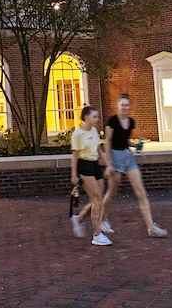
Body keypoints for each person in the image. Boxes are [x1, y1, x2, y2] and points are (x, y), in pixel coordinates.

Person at [100, 94, 168, 238]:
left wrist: (136, 145)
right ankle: (102, 220)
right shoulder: (112, 121)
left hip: (128, 156)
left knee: (141, 192)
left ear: (130, 107)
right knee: (112, 192)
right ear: (118, 106)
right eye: (122, 105)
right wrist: (108, 164)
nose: (124, 107)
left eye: (126, 105)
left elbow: (125, 140)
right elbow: (108, 142)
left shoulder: (131, 122)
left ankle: (151, 227)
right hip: (115, 156)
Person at [69, 105, 112, 246]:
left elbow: (99, 150)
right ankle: (97, 234)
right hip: (84, 166)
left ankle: (79, 218)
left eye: (97, 117)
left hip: (95, 165)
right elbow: (74, 156)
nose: (97, 119)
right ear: (86, 117)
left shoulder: (94, 131)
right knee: (97, 199)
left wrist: (108, 165)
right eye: (94, 117)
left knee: (98, 199)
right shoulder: (78, 134)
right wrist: (74, 174)